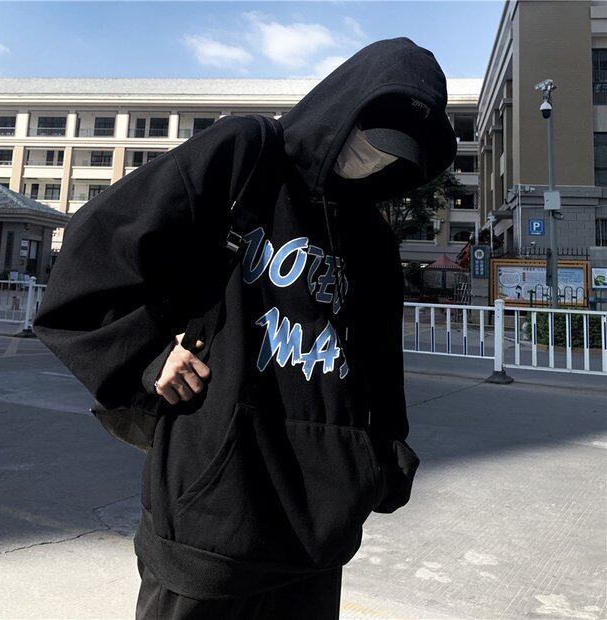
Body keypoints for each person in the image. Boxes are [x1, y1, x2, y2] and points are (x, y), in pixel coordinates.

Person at [32, 36, 457, 619]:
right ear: (343, 109)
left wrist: (381, 463)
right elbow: (99, 246)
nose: (376, 160)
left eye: (395, 155)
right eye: (372, 141)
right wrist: (148, 356)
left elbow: (380, 363)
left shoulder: (372, 238)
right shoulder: (247, 155)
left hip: (318, 531)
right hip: (209, 511)